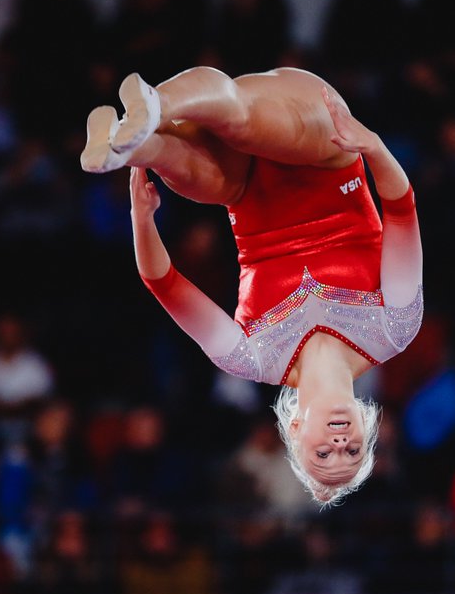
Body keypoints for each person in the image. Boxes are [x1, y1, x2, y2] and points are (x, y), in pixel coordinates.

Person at [81, 67, 424, 505]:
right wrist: (371, 143)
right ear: (365, 424)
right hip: (328, 150)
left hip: (243, 187)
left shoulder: (252, 357)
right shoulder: (394, 328)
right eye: (353, 450)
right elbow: (400, 209)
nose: (339, 443)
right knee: (240, 124)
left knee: (185, 170)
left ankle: (128, 147)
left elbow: (163, 283)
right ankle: (155, 106)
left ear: (295, 431)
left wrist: (141, 219)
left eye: (323, 453)